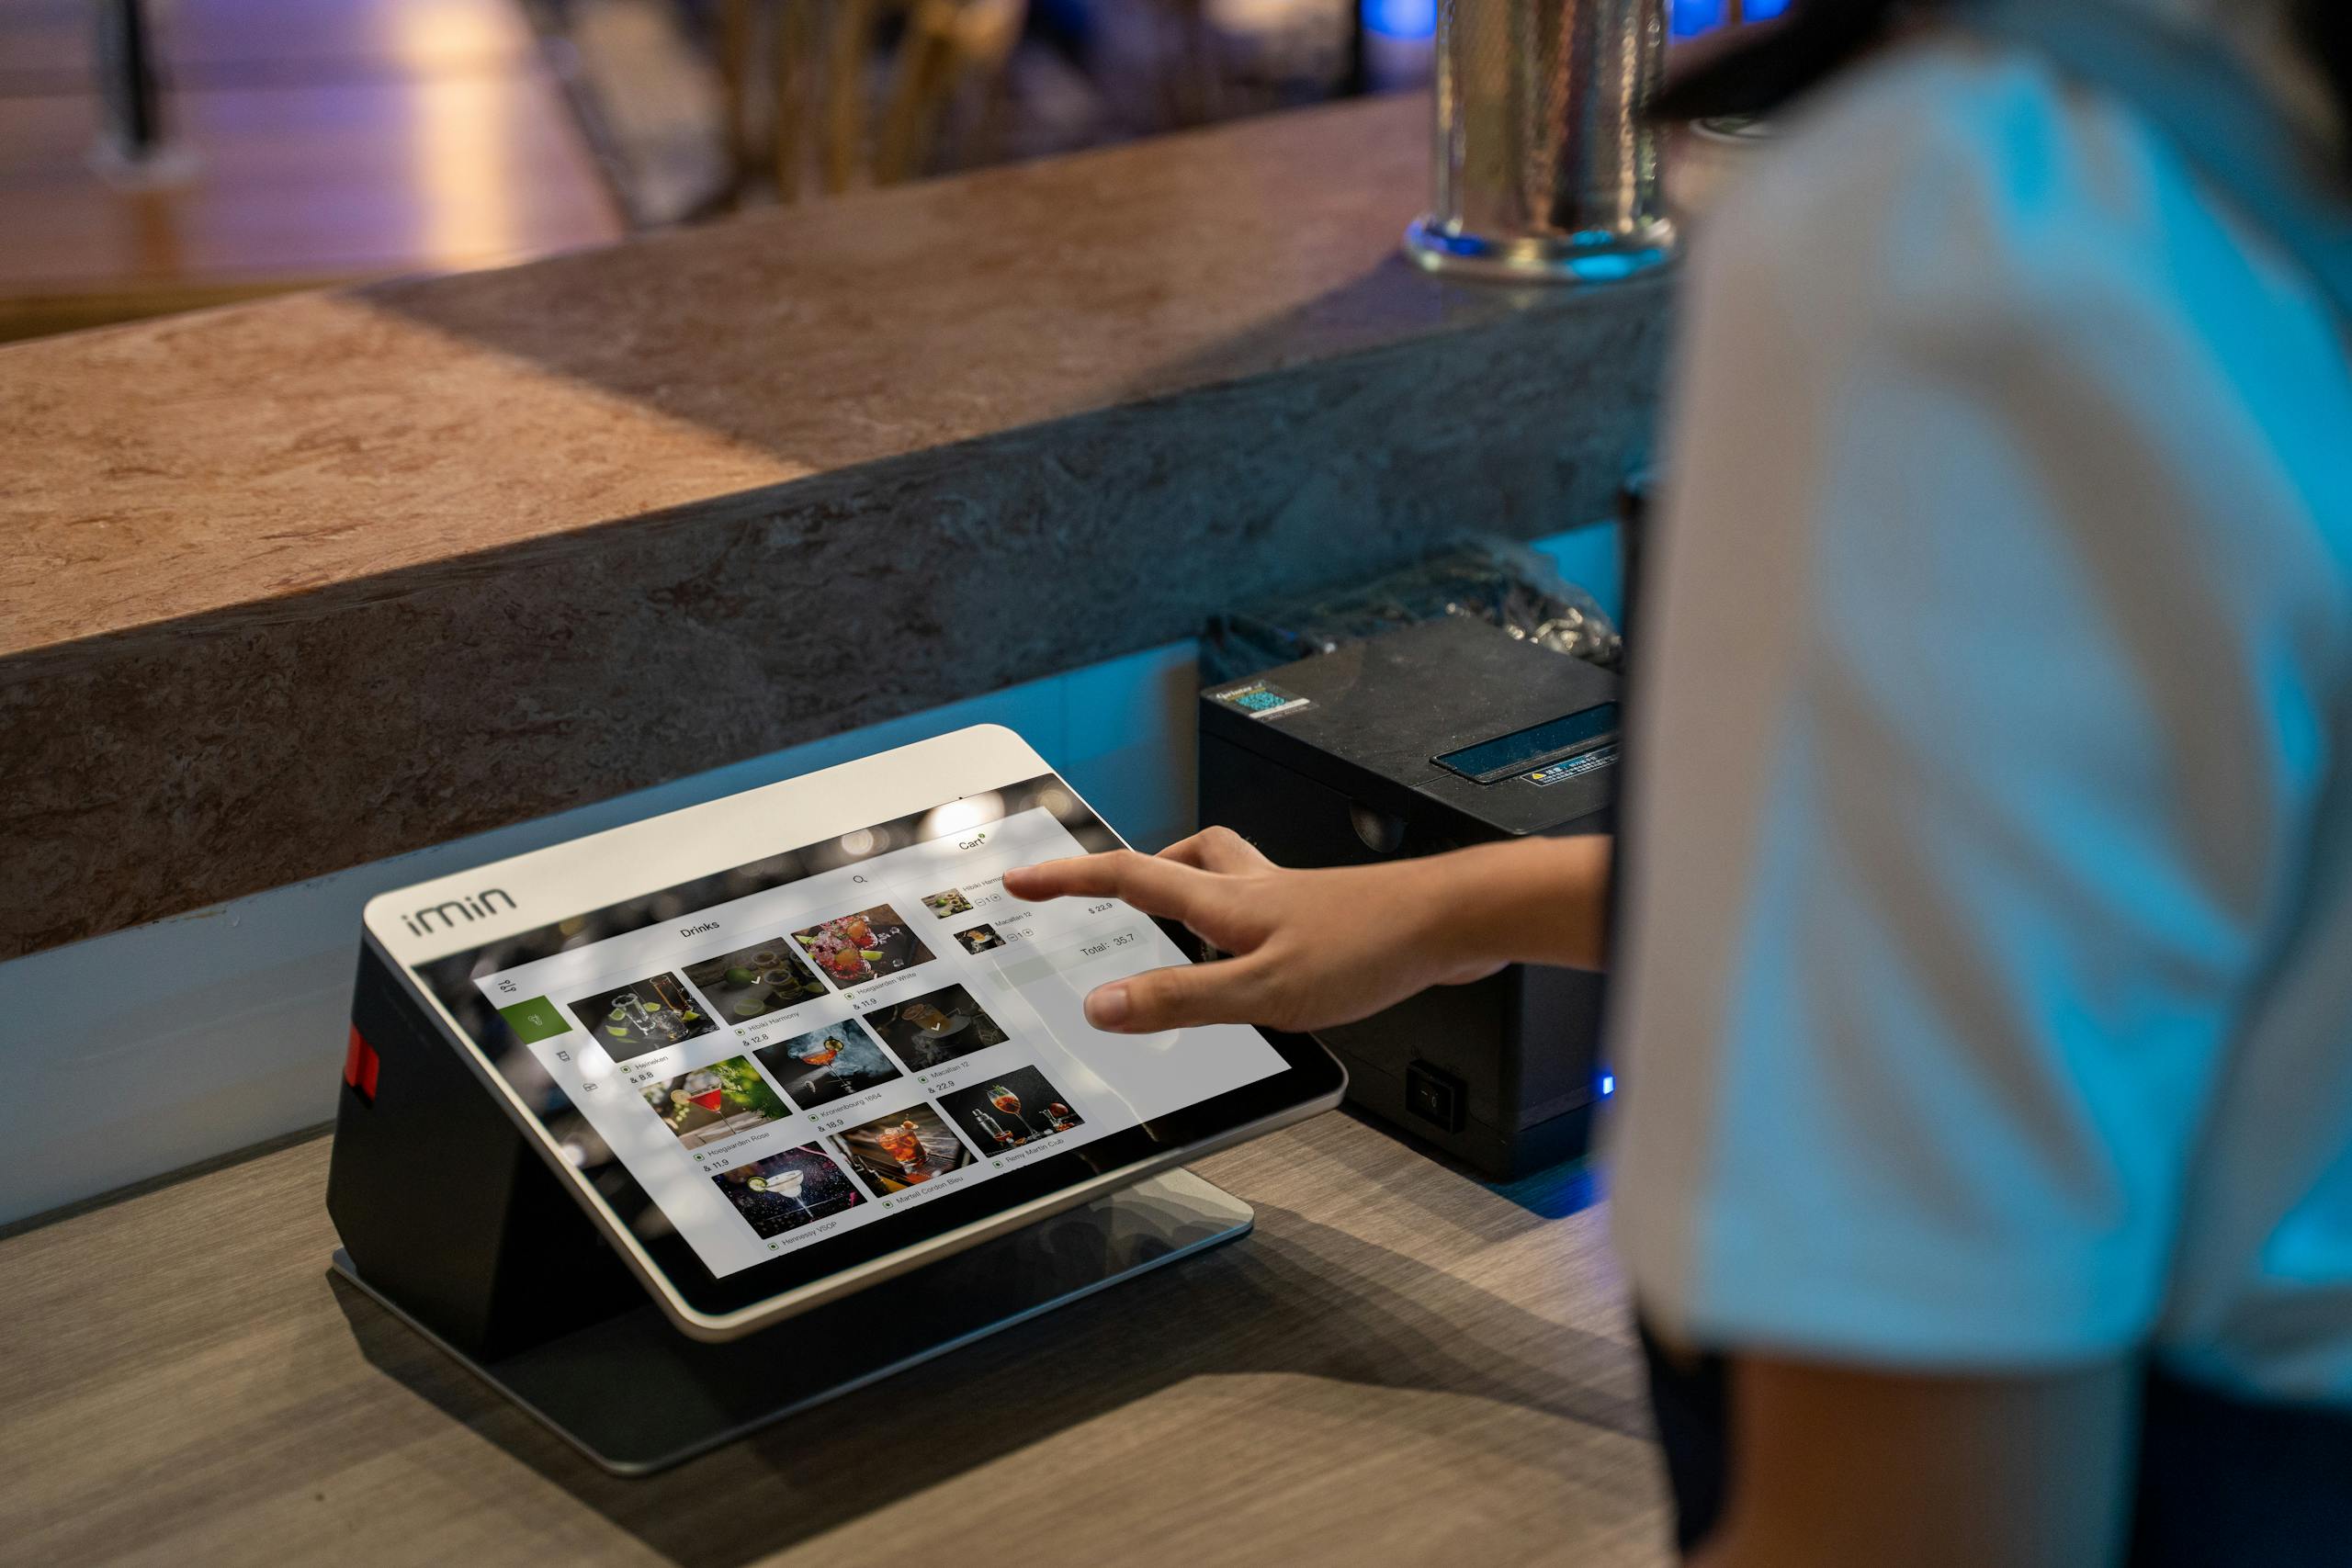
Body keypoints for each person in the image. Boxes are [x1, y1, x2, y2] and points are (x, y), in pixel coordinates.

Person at [1005, 0, 2352, 1562]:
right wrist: (1445, 908)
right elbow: (2109, 877)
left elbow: (1910, 1531)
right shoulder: (2245, 138)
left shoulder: (1967, 227)